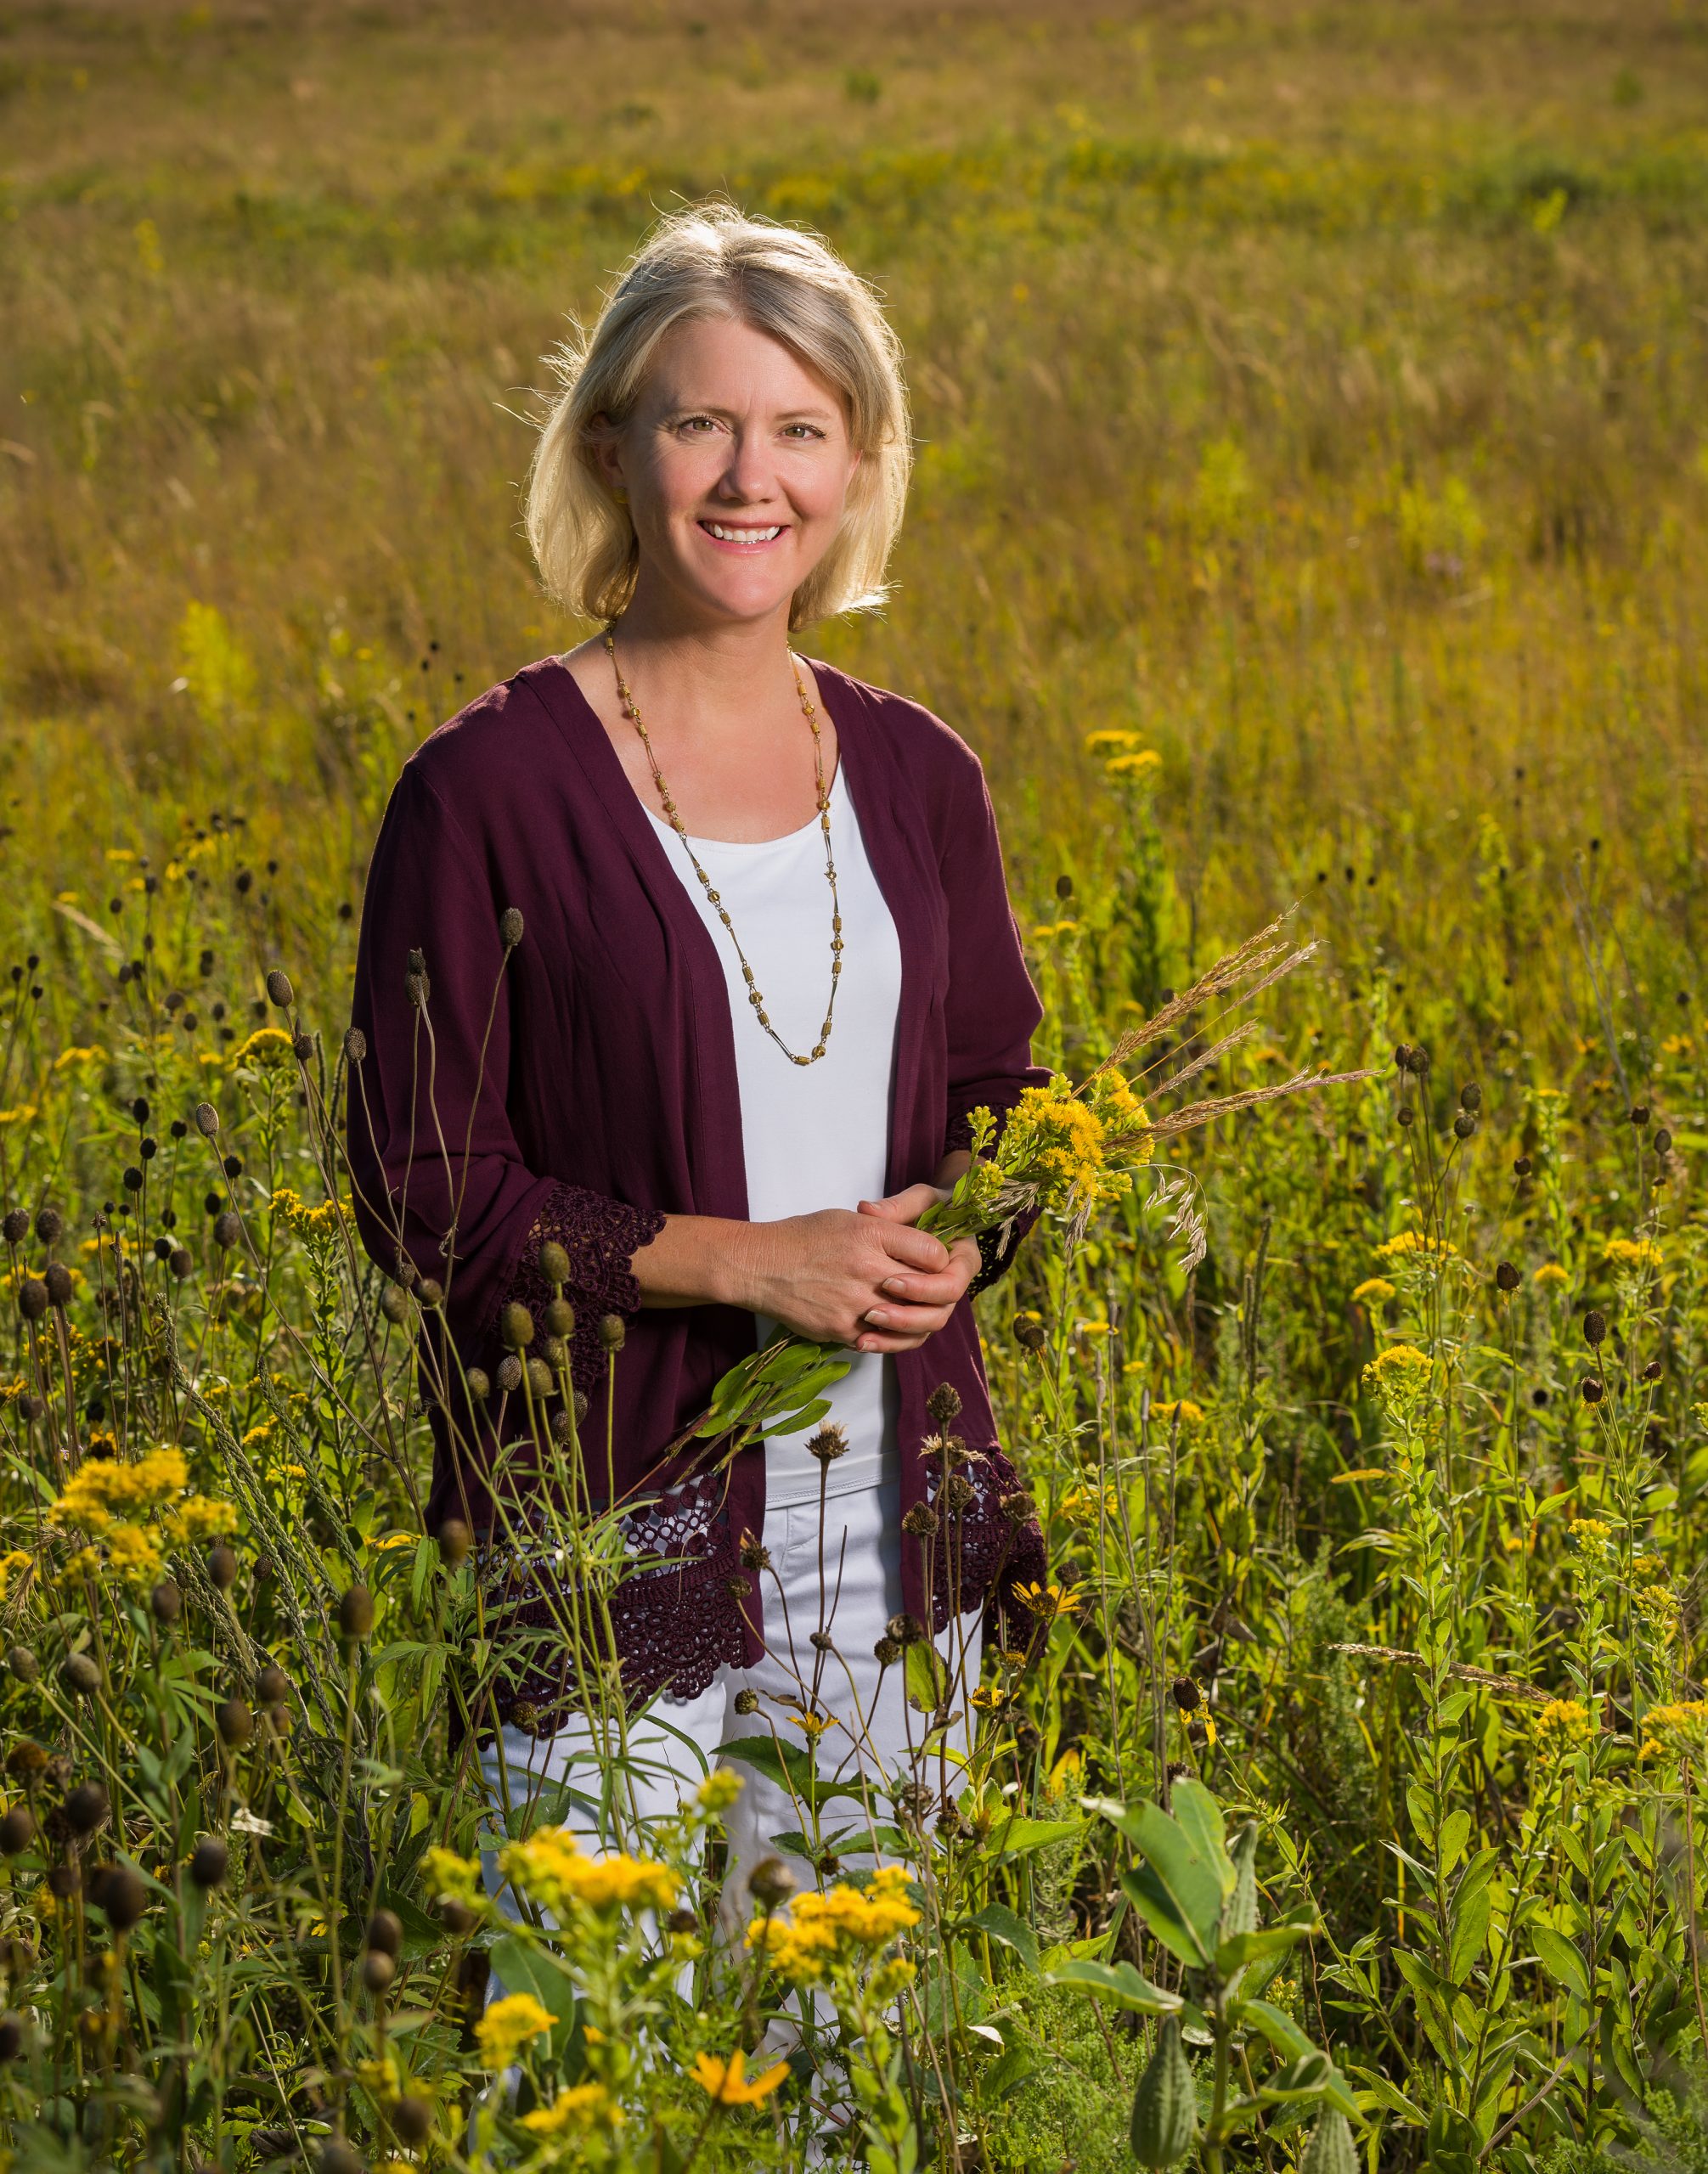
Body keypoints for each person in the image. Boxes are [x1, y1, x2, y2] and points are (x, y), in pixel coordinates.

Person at [346, 202, 1047, 1919]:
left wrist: (967, 1227)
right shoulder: (486, 788)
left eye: (801, 428)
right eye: (702, 422)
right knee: (593, 2047)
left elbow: (1005, 1097)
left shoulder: (918, 774)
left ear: (858, 461)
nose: (754, 480)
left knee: (853, 2056)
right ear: (612, 445)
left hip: (896, 1524)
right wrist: (749, 1264)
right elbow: (421, 1187)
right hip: (607, 1530)